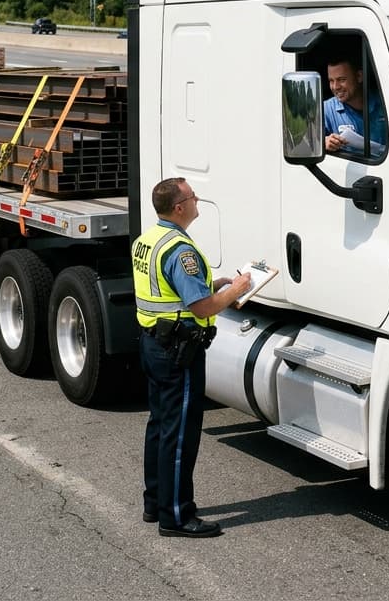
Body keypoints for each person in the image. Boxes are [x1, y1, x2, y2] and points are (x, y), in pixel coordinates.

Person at [134, 178, 252, 538]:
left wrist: (211, 283)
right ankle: (177, 516)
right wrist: (235, 290)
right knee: (180, 434)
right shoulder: (179, 249)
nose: (197, 199)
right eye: (191, 196)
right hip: (178, 351)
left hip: (154, 342)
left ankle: (155, 503)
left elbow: (173, 289)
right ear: (179, 207)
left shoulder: (149, 239)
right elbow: (200, 306)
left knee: (160, 426)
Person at [323, 54, 388, 156]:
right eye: (331, 81)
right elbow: (303, 142)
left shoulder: (386, 102)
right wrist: (323, 142)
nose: (335, 87)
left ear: (359, 76)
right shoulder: (326, 109)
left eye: (342, 80)